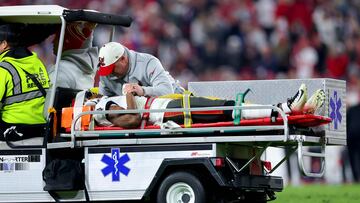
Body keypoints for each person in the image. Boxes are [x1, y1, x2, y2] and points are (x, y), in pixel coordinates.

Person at [89, 84, 326, 129]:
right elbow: (131, 120)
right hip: (165, 111)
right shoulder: (104, 108)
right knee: (226, 110)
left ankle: (284, 109)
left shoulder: (105, 103)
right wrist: (130, 95)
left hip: (168, 106)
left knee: (227, 106)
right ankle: (284, 109)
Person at [0, 24, 50, 141]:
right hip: (41, 126)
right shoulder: (37, 62)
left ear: (4, 44)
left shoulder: (3, 68)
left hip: (14, 128)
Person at [97, 42, 184, 97]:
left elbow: (167, 91)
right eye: (106, 69)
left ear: (123, 59)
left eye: (112, 68)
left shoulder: (148, 62)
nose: (109, 73)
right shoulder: (105, 73)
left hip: (173, 97)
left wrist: (142, 91)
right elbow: (104, 97)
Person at [48, 21, 98, 89]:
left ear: (65, 42)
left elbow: (50, 99)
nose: (52, 41)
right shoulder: (92, 69)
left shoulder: (59, 71)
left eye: (57, 37)